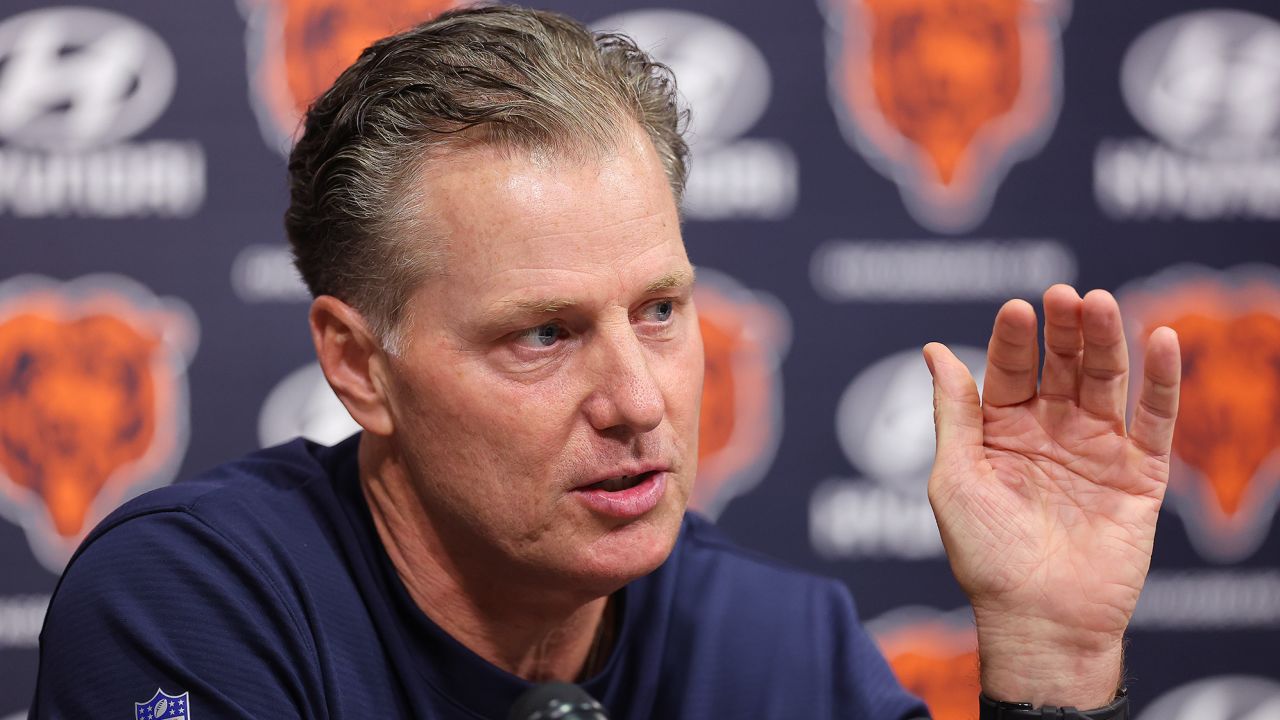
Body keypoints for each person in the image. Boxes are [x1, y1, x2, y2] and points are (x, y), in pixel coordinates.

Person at [30, 6, 1181, 719]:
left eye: (661, 309)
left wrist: (1051, 655)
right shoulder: (191, 605)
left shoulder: (778, 645)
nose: (639, 403)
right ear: (357, 365)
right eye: (544, 333)